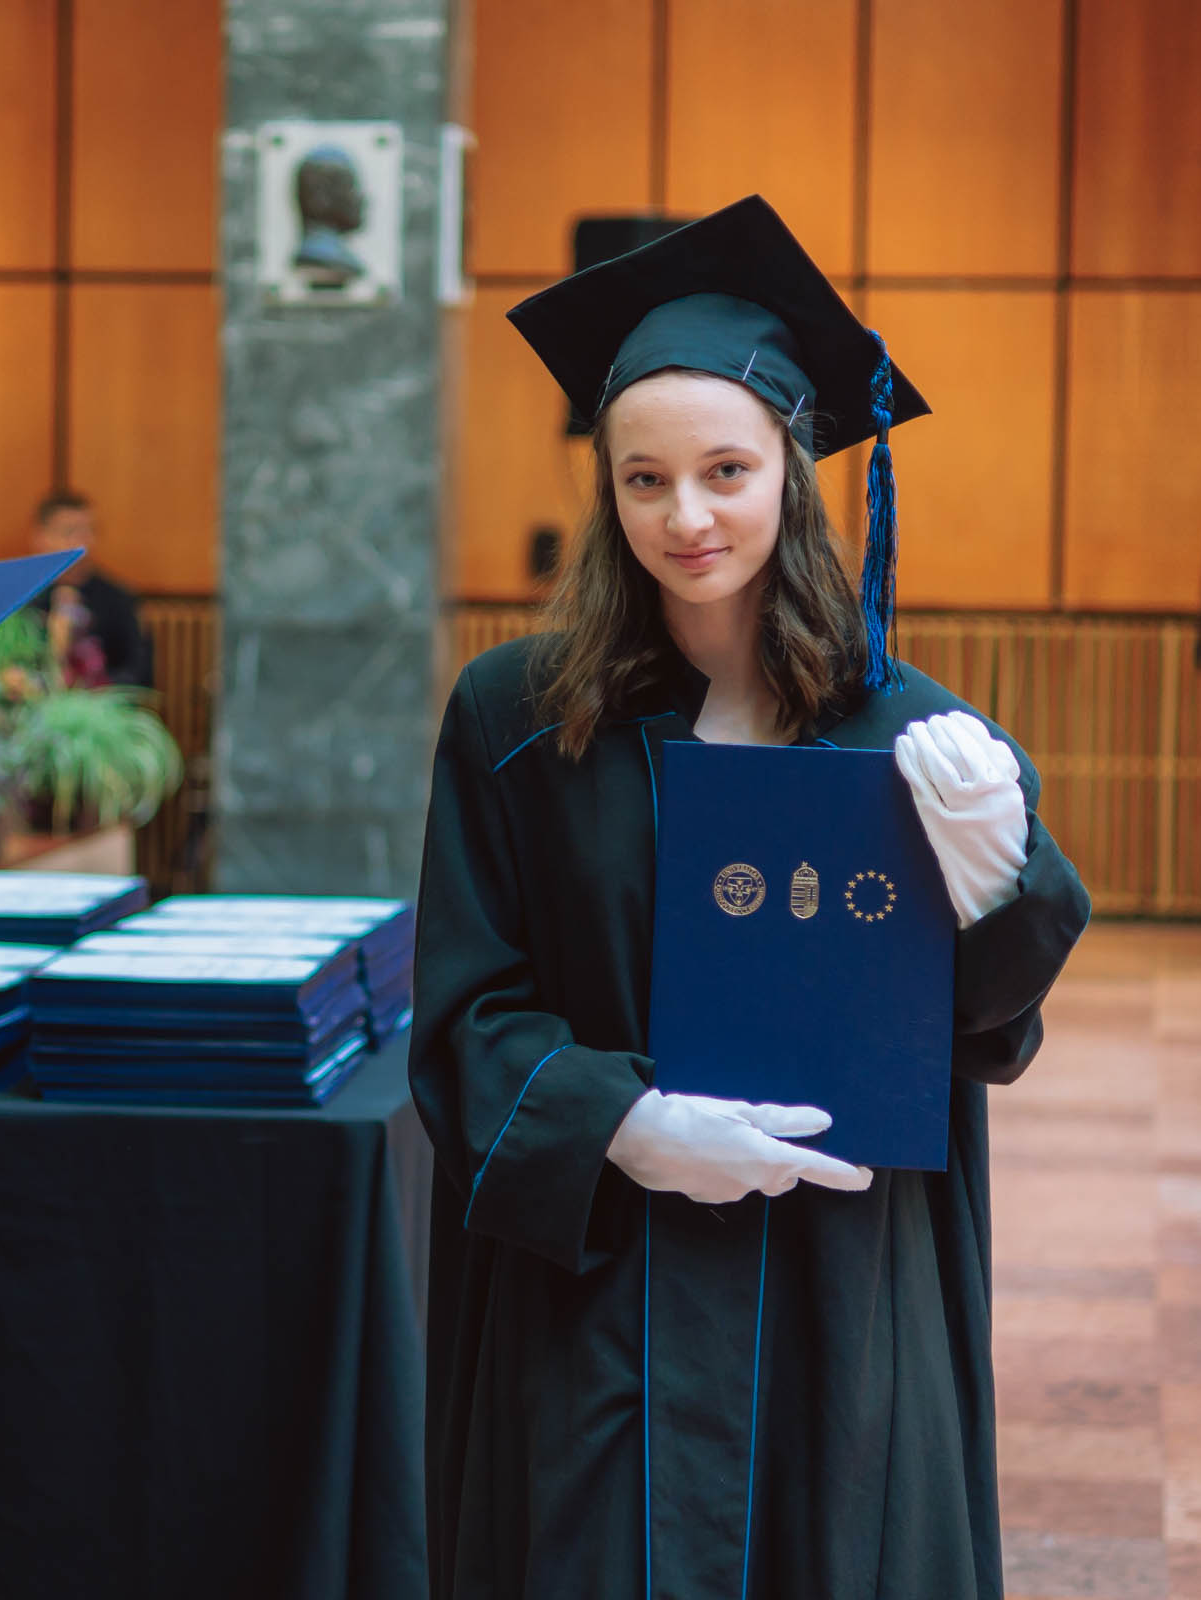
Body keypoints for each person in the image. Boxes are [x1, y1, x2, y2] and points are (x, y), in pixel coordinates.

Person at [408, 196, 1090, 1600]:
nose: (687, 516)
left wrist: (997, 884)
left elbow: (987, 1031)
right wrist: (625, 1124)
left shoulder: (906, 736)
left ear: (793, 468)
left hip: (835, 1291)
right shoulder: (518, 725)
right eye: (643, 478)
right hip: (604, 1290)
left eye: (726, 469)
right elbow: (464, 1016)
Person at [28, 489, 152, 687]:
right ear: (41, 537)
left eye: (89, 531)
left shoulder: (118, 598)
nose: (82, 542)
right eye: (69, 532)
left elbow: (138, 671)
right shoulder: (23, 599)